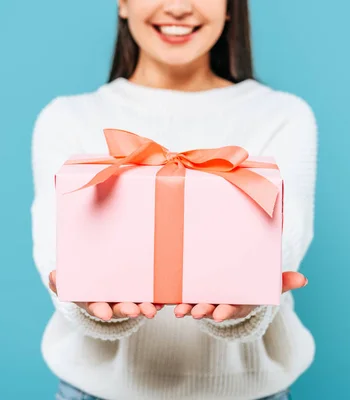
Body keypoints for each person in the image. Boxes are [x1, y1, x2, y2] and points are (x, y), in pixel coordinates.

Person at [31, 0, 317, 399]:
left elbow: (285, 241)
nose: (179, 7)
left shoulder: (283, 115)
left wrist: (248, 300)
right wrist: (87, 301)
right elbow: (54, 253)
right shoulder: (66, 118)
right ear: (123, 3)